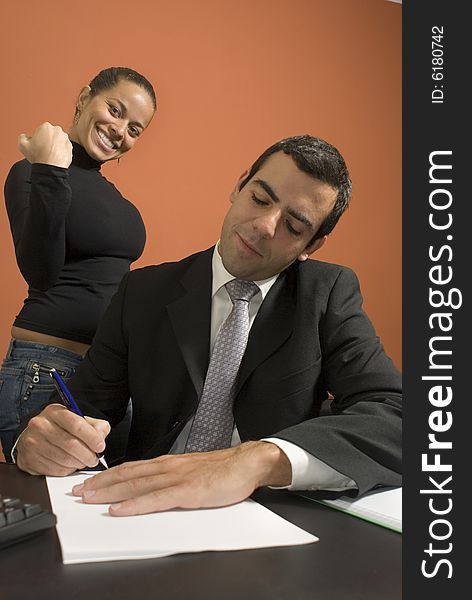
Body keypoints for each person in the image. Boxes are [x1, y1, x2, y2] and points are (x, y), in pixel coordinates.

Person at [14, 135, 402, 517]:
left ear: (311, 247)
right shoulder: (143, 291)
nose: (265, 226)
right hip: (144, 511)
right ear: (239, 186)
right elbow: (80, 410)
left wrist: (258, 460)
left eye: (295, 226)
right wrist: (42, 440)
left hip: (267, 518)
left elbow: (397, 415)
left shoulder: (327, 293)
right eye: (260, 199)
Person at [0, 66, 157, 461]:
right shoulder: (31, 172)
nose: (120, 130)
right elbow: (39, 270)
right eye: (115, 110)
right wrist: (51, 169)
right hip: (47, 370)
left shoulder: (113, 197)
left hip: (108, 378)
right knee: (55, 509)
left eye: (135, 129)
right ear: (85, 97)